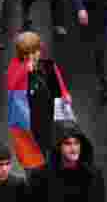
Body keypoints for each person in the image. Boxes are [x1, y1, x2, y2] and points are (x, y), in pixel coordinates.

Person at [5, 31, 71, 171]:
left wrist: (64, 93)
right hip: (29, 121)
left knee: (49, 150)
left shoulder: (46, 65)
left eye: (35, 51)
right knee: (32, 159)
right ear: (21, 53)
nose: (32, 56)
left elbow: (56, 78)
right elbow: (11, 85)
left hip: (47, 116)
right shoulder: (16, 67)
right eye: (27, 53)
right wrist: (25, 71)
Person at [27, 122, 106, 202]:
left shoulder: (93, 176)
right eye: (67, 143)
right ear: (58, 147)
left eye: (76, 143)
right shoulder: (40, 177)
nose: (73, 148)